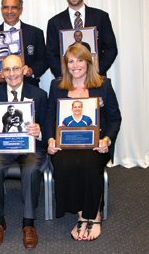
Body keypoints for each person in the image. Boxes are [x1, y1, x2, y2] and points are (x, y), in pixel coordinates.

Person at [45, 44, 121, 241]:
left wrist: (107, 139)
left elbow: (115, 119)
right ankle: (80, 213)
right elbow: (49, 118)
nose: (75, 65)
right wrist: (50, 139)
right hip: (66, 145)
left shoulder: (103, 85)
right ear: (65, 64)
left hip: (96, 145)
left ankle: (94, 214)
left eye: (80, 60)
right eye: (70, 61)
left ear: (88, 62)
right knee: (63, 163)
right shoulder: (57, 85)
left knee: (87, 163)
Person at [0, 55, 47, 249]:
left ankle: (28, 223)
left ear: (24, 69)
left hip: (30, 146)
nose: (12, 74)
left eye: (16, 69)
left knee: (29, 170)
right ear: (1, 73)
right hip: (2, 147)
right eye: (7, 70)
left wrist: (40, 131)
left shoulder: (39, 94)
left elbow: (48, 124)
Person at [46, 0, 117, 78]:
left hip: (96, 79)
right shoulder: (54, 22)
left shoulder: (101, 17)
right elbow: (51, 55)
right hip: (67, 83)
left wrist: (96, 71)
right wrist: (66, 76)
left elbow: (111, 48)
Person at [0, 0, 48, 88]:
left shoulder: (35, 33)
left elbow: (43, 60)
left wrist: (32, 71)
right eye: (6, 7)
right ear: (1, 9)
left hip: (28, 87)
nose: (9, 11)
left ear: (21, 10)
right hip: (0, 89)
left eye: (14, 7)